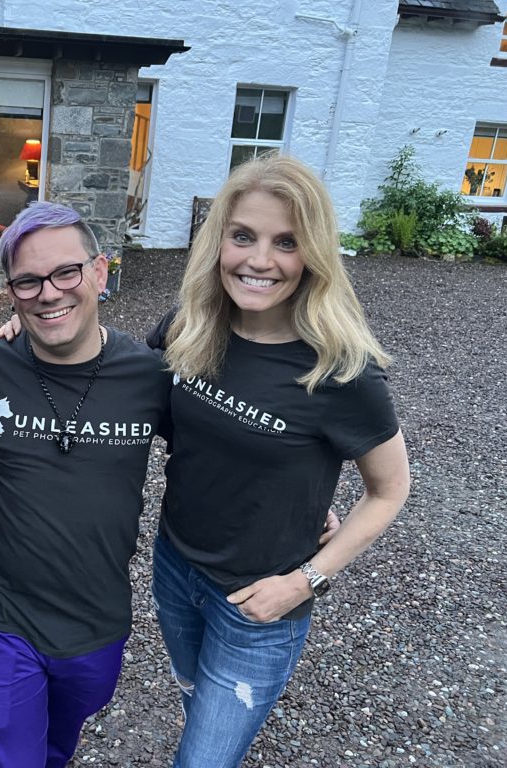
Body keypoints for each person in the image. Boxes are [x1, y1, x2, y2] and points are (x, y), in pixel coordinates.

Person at [147, 153, 410, 767]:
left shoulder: (340, 370)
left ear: (312, 254)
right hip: (176, 569)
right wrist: (29, 337)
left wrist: (308, 579)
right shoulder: (188, 328)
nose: (259, 260)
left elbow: (390, 490)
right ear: (218, 242)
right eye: (243, 236)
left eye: (285, 242)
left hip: (261, 604)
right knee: (199, 711)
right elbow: (117, 382)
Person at [0, 201, 171, 767]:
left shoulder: (149, 376)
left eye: (66, 272)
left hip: (96, 617)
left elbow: (215, 456)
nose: (49, 293)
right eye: (28, 281)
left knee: (56, 742)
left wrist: (301, 508)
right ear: (11, 291)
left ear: (100, 272)